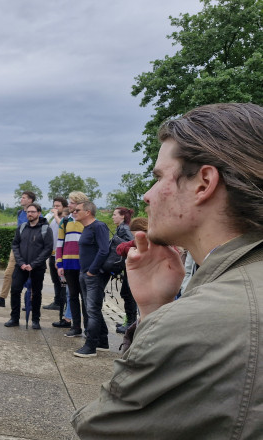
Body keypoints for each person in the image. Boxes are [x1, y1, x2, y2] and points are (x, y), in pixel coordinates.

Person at [73, 103, 263, 438]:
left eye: (159, 177)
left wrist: (162, 321)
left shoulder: (201, 322)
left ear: (203, 183)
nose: (147, 196)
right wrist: (153, 308)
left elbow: (101, 429)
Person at [4, 203, 53, 329]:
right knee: (15, 290)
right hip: (21, 267)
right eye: (28, 212)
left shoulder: (46, 229)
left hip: (37, 268)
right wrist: (21, 263)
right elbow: (15, 245)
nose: (29, 214)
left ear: (39, 213)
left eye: (32, 212)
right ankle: (14, 318)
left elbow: (48, 249)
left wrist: (33, 264)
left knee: (36, 293)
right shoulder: (22, 227)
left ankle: (35, 320)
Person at [71, 200, 109, 358]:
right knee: (91, 308)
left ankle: (90, 346)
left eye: (77, 210)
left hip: (93, 275)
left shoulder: (99, 226)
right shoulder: (86, 228)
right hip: (85, 273)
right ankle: (102, 341)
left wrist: (92, 271)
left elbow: (104, 250)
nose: (74, 212)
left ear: (88, 212)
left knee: (92, 310)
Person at [0, 191, 37, 307]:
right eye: (21, 197)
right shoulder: (20, 213)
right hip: (17, 248)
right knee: (8, 273)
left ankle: (30, 301)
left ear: (30, 200)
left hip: (30, 250)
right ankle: (2, 298)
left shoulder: (36, 214)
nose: (21, 199)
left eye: (24, 198)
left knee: (30, 275)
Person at [56, 191, 90, 338]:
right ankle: (76, 327)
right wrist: (59, 263)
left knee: (86, 298)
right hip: (68, 264)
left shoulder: (87, 221)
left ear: (79, 204)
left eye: (71, 202)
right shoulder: (65, 221)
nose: (68, 205)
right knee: (73, 297)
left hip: (84, 265)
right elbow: (59, 244)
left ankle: (89, 329)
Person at [109, 207, 136, 334]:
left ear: (122, 216)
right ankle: (128, 321)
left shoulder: (125, 228)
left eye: (115, 215)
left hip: (130, 265)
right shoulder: (121, 228)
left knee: (127, 293)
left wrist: (117, 241)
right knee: (126, 292)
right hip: (126, 265)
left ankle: (130, 323)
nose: (113, 217)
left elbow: (132, 243)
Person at [44, 197, 68, 315]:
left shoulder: (64, 219)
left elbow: (62, 226)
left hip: (61, 255)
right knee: (55, 280)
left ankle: (62, 303)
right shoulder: (54, 218)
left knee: (61, 280)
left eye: (58, 206)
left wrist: (56, 216)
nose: (55, 208)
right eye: (54, 205)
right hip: (52, 253)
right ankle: (57, 301)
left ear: (64, 207)